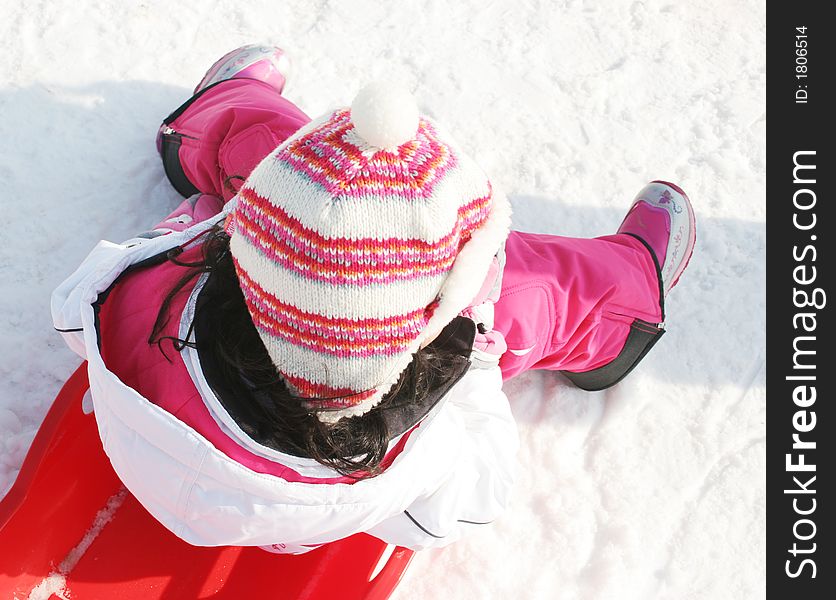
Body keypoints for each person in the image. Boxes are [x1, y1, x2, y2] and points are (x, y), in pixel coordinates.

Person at [52, 44, 696, 554]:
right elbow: (472, 498)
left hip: (210, 342)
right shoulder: (402, 466)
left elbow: (73, 310)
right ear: (419, 341)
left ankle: (210, 120)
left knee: (285, 161)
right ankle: (625, 304)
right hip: (305, 495)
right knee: (533, 291)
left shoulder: (136, 304)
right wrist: (471, 362)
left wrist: (190, 234)